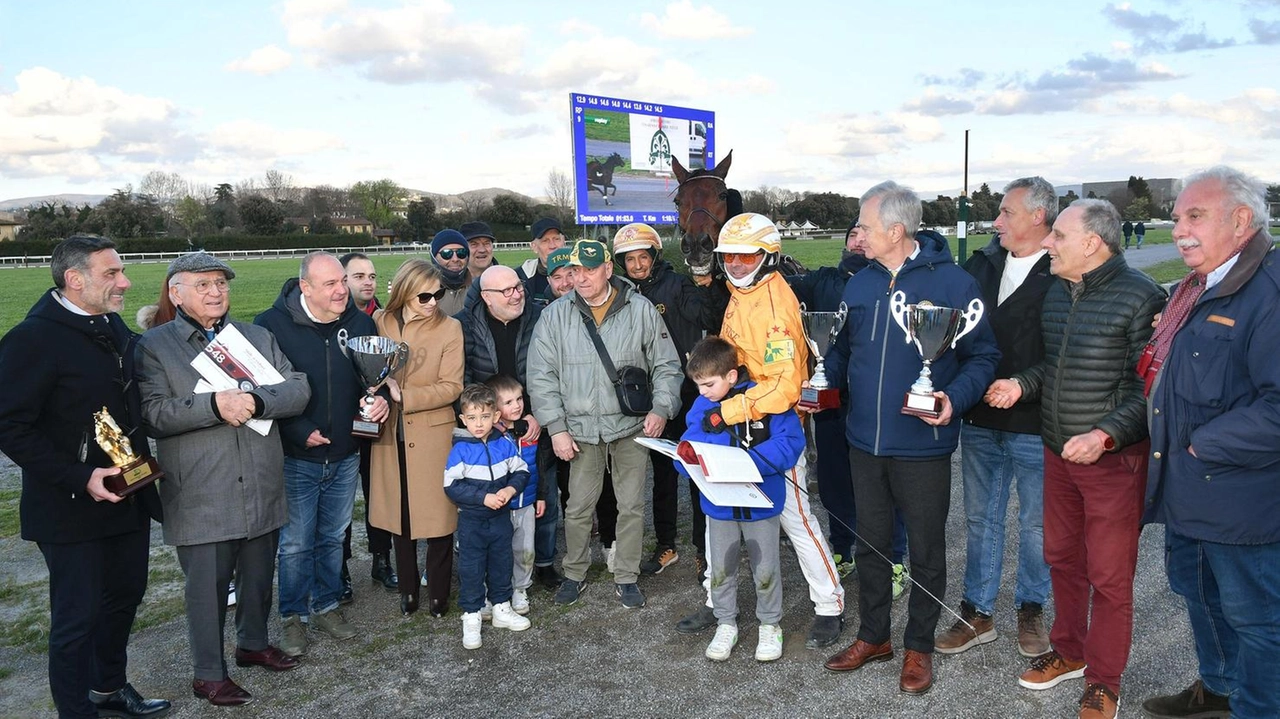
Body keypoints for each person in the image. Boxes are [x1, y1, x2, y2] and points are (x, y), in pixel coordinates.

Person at [986, 198, 1164, 719]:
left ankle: (1105, 680)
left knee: (1109, 577)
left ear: (1092, 243)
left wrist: (1106, 435)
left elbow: (1147, 390)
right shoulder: (1060, 292)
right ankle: (1069, 650)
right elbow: (1055, 365)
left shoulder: (1141, 297)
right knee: (1062, 558)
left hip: (1112, 462)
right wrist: (1022, 384)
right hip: (1057, 451)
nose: (1047, 243)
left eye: (1058, 236)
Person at [822, 182, 1000, 696]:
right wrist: (822, 379)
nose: (858, 233)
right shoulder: (858, 283)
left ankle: (918, 645)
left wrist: (954, 399)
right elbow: (838, 350)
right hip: (863, 442)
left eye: (866, 225)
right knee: (871, 543)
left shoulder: (955, 283)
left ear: (896, 230)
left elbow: (984, 357)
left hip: (922, 444)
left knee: (924, 549)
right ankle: (874, 636)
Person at [0, 235, 170, 719]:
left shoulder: (109, 325)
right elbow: (9, 424)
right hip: (70, 507)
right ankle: (76, 711)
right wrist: (79, 476)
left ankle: (109, 688)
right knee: (77, 619)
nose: (125, 282)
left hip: (129, 493)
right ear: (75, 280)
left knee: (124, 598)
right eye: (112, 274)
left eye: (121, 271)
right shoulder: (31, 340)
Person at [136, 252, 312, 706]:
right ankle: (208, 674)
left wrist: (255, 399)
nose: (215, 292)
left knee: (257, 576)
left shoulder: (254, 337)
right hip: (201, 488)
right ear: (176, 293)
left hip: (260, 477)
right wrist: (215, 405)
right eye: (203, 284)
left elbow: (297, 388)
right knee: (208, 588)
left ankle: (252, 645)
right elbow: (153, 413)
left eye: (221, 283)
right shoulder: (155, 345)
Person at [1140, 167, 1278, 719]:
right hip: (1188, 493)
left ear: (1240, 220)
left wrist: (1202, 444)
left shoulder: (1267, 290)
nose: (1179, 230)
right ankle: (1218, 692)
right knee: (1200, 599)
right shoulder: (1199, 288)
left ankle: (1258, 709)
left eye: (1194, 216)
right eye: (1177, 218)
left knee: (1259, 622)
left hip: (1240, 499)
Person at [677, 212, 848, 651]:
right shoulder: (740, 291)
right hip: (739, 424)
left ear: (767, 254)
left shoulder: (774, 305)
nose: (734, 263)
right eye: (728, 255)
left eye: (744, 254)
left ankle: (829, 604)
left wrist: (728, 411)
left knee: (797, 521)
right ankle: (719, 605)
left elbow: (784, 387)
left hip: (773, 431)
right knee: (721, 510)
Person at [527, 239, 683, 610]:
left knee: (631, 506)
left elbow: (666, 365)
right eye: (574, 271)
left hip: (630, 428)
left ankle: (626, 577)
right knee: (578, 507)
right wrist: (557, 428)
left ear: (608, 269)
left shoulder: (641, 309)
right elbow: (541, 377)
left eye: (589, 269)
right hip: (579, 433)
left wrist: (661, 408)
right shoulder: (554, 316)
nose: (580, 278)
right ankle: (575, 574)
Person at [937, 177, 1056, 659]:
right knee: (981, 517)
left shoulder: (1064, 268)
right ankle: (978, 611)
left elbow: (1075, 350)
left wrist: (1023, 384)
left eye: (1006, 213)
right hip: (980, 415)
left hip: (1035, 422)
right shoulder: (981, 264)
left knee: (1036, 524)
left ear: (1038, 216)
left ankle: (1031, 607)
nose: (996, 221)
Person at [254, 252, 388, 657]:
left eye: (342, 282)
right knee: (295, 543)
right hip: (298, 455)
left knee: (333, 537)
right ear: (304, 287)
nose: (340, 290)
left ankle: (327, 605)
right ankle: (293, 616)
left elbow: (372, 382)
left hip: (346, 452)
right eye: (330, 284)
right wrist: (297, 430)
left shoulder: (361, 323)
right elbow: (261, 391)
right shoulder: (269, 326)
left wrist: (377, 404)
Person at [787, 218, 909, 589]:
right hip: (830, 404)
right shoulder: (822, 279)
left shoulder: (890, 283)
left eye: (863, 233)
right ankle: (842, 549)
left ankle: (894, 559)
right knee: (834, 481)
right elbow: (774, 285)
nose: (858, 240)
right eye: (852, 234)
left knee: (885, 484)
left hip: (876, 403)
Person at [680, 337, 804, 663]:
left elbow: (791, 442)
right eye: (698, 385)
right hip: (720, 505)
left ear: (732, 376)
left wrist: (751, 464)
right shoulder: (701, 407)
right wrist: (685, 459)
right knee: (721, 566)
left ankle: (769, 624)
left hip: (761, 499)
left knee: (766, 567)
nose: (702, 391)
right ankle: (725, 622)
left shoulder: (767, 398)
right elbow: (688, 444)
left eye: (708, 384)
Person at [610, 222, 712, 576]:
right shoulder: (618, 291)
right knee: (663, 476)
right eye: (630, 259)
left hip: (685, 392)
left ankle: (705, 548)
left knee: (698, 472)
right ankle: (667, 545)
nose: (638, 265)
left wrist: (705, 284)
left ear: (655, 256)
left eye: (643, 257)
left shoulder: (676, 283)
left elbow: (704, 315)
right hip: (644, 399)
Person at [368, 259, 465, 616]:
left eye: (438, 294)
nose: (433, 302)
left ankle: (439, 594)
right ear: (406, 292)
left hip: (432, 433)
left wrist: (405, 397)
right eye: (424, 296)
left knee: (439, 519)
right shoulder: (381, 322)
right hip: (389, 433)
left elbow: (452, 386)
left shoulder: (450, 328)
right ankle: (408, 591)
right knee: (400, 515)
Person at [459, 265, 562, 591]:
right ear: (486, 297)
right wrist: (488, 420)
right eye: (506, 291)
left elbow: (551, 369)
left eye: (517, 287)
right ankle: (498, 573)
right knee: (496, 499)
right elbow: (463, 379)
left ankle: (543, 562)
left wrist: (534, 414)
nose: (516, 294)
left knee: (542, 493)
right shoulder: (466, 326)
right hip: (489, 428)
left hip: (532, 420)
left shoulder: (540, 317)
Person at [444, 383, 533, 649]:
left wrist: (509, 488)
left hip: (500, 519)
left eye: (484, 417)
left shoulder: (504, 444)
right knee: (471, 567)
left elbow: (522, 471)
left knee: (501, 562)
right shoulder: (459, 449)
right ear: (463, 419)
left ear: (496, 416)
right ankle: (472, 615)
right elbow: (451, 486)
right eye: (472, 418)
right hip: (472, 521)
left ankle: (501, 607)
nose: (479, 423)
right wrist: (483, 498)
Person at [337, 252, 396, 595]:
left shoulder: (384, 319)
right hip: (340, 428)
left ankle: (381, 560)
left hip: (375, 423)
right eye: (358, 276)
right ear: (342, 281)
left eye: (371, 275)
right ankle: (340, 568)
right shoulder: (332, 321)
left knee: (379, 494)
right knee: (341, 502)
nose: (368, 282)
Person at [486, 374, 544, 615]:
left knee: (524, 549)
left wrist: (541, 495)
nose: (517, 406)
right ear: (495, 407)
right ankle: (493, 592)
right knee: (498, 550)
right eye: (508, 402)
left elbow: (539, 464)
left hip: (526, 503)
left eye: (519, 399)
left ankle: (520, 588)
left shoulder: (530, 431)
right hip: (500, 507)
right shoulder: (490, 435)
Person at [519, 217, 567, 301]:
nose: (552, 246)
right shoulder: (521, 278)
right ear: (534, 247)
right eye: (545, 241)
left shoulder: (581, 272)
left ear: (564, 242)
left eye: (556, 239)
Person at [428, 229, 471, 317]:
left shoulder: (479, 289)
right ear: (434, 257)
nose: (455, 259)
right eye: (446, 253)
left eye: (461, 253)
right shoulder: (422, 292)